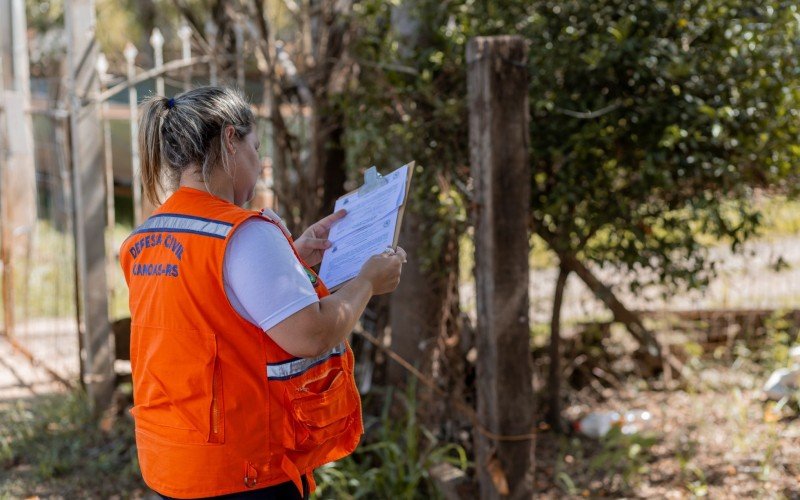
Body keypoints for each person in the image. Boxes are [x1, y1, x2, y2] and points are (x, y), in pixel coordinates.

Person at [119, 86, 406, 499]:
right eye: (256, 148)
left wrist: (292, 257)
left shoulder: (146, 236)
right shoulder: (244, 234)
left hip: (172, 465)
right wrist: (367, 281)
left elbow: (213, 310)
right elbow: (312, 334)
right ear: (231, 141)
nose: (260, 163)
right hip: (243, 474)